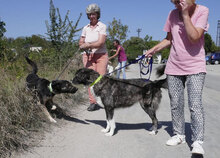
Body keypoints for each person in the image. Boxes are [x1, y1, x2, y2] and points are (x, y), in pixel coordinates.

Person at [145, 0, 209, 155]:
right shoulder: (172, 14)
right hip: (174, 66)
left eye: (180, 0)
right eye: (174, 1)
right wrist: (153, 49)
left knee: (195, 104)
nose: (177, 4)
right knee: (176, 103)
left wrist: (186, 14)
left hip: (195, 66)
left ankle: (197, 141)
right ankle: (179, 134)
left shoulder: (203, 11)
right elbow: (169, 38)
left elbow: (194, 37)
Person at [79, 3, 108, 111]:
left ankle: (103, 100)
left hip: (101, 55)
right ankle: (93, 102)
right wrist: (82, 45)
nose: (92, 16)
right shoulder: (85, 28)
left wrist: (88, 45)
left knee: (100, 78)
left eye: (94, 14)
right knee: (89, 79)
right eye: (90, 14)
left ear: (97, 14)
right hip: (88, 56)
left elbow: (100, 42)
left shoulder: (102, 26)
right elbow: (81, 41)